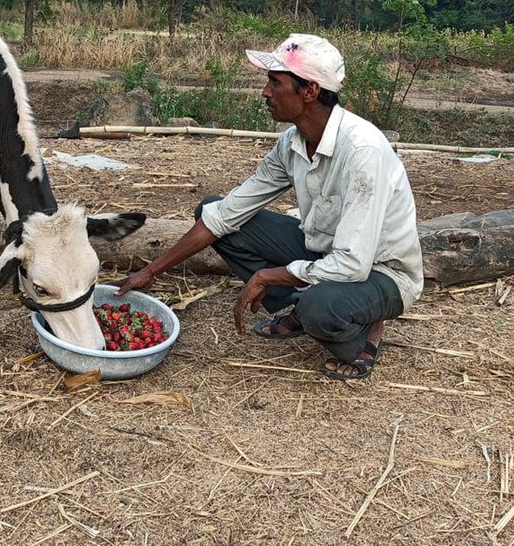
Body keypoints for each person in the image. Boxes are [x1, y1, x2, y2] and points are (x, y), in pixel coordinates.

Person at [115, 33, 423, 380]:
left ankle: (365, 331)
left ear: (309, 91)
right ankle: (299, 303)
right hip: (324, 253)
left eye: (275, 83)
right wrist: (152, 271)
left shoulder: (363, 151)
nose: (265, 92)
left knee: (319, 307)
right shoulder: (292, 143)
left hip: (380, 273)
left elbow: (353, 263)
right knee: (212, 211)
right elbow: (227, 214)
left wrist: (269, 275)